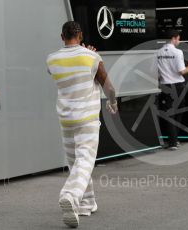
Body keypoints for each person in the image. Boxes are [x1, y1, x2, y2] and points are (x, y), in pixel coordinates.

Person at [46, 21, 117, 228]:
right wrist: (112, 102)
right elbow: (107, 85)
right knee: (85, 161)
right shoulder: (92, 57)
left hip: (66, 120)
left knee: (75, 162)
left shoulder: (51, 59)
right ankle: (70, 195)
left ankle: (87, 203)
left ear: (62, 37)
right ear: (81, 35)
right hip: (87, 119)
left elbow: (68, 73)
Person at [157, 30, 188, 150]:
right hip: (178, 86)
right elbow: (182, 71)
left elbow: (157, 72)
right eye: (179, 39)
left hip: (165, 86)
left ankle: (173, 140)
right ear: (174, 38)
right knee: (178, 113)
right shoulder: (178, 52)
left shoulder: (158, 52)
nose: (179, 41)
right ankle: (174, 142)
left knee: (170, 113)